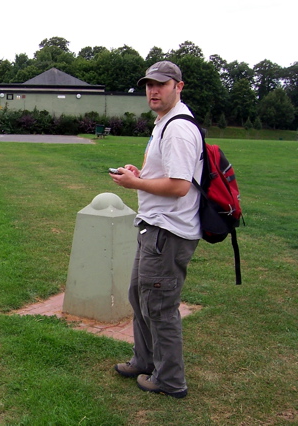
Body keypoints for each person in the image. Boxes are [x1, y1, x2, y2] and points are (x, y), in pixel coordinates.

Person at [109, 61, 204, 399]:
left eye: (162, 84)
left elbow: (179, 186)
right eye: (149, 84)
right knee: (140, 295)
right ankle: (145, 360)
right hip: (154, 228)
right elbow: (169, 174)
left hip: (168, 232)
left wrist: (136, 182)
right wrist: (140, 174)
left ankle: (170, 380)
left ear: (179, 86)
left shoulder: (178, 128)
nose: (153, 90)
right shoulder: (164, 123)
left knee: (160, 306)